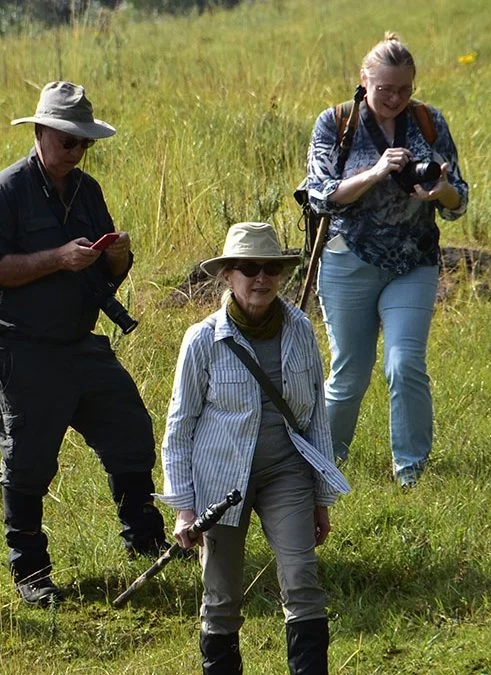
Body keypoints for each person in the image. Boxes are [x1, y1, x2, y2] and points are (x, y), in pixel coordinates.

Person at [0, 81, 171, 607]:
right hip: (22, 346)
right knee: (28, 461)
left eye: (83, 143)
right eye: (68, 141)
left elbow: (113, 273)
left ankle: (144, 537)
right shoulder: (6, 191)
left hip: (79, 342)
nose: (76, 151)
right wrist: (57, 259)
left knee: (131, 428)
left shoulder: (88, 191)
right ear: (41, 132)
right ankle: (30, 569)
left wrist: (117, 255)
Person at [159, 222, 350, 674]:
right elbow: (178, 428)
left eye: (270, 268)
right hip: (220, 484)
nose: (260, 278)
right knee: (221, 599)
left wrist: (321, 500)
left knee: (303, 579)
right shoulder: (202, 339)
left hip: (287, 473)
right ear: (228, 275)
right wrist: (184, 510)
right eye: (249, 268)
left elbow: (314, 419)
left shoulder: (301, 329)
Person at [305, 32, 469, 487]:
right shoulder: (336, 122)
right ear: (364, 80)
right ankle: (325, 464)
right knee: (349, 372)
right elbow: (321, 196)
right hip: (348, 262)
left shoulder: (430, 122)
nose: (395, 98)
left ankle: (410, 470)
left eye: (404, 89)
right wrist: (376, 172)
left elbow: (460, 201)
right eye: (385, 90)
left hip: (413, 262)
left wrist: (442, 190)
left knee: (404, 363)